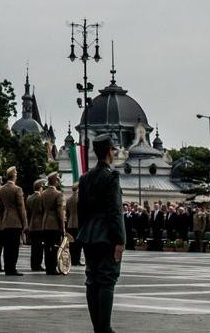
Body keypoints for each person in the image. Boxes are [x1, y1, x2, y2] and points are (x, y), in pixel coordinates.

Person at [77, 137, 125, 333]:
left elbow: (81, 210)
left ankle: (98, 327)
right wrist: (120, 240)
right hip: (107, 235)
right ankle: (104, 328)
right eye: (113, 151)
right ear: (109, 152)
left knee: (92, 279)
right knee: (107, 280)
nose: (114, 154)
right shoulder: (111, 177)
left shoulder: (85, 178)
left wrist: (83, 233)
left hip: (89, 234)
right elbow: (115, 211)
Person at [0, 167, 27, 276]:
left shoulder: (2, 189)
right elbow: (21, 207)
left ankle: (7, 267)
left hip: (6, 220)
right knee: (14, 247)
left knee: (7, 247)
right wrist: (24, 223)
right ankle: (12, 268)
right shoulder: (17, 189)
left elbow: (0, 206)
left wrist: (2, 219)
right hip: (15, 221)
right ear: (14, 175)